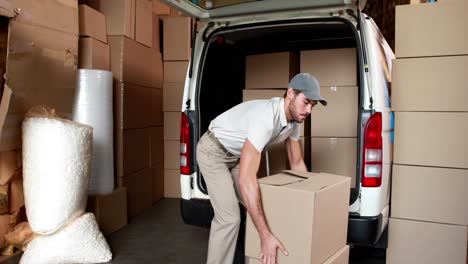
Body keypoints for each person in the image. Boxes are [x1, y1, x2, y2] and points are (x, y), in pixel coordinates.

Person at [196, 73, 327, 264]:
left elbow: (297, 163)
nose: (309, 110)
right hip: (213, 152)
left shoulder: (294, 121)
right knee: (229, 219)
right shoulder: (265, 118)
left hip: (237, 155)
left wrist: (310, 200)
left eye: (312, 106)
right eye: (306, 102)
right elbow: (246, 180)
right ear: (290, 93)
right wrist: (265, 236)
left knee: (262, 206)